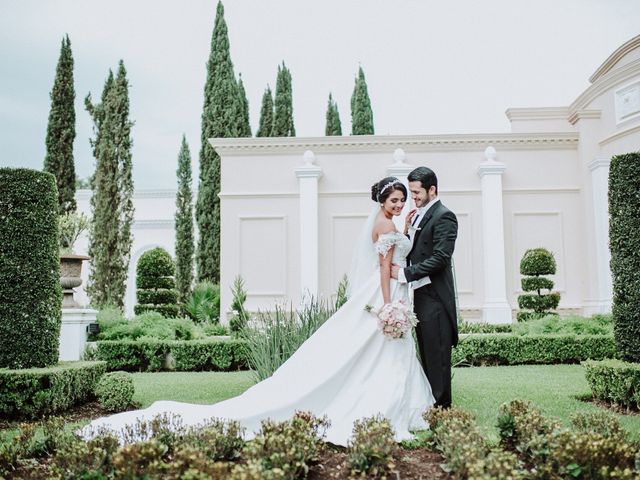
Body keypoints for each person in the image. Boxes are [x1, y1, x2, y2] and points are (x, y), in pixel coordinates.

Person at [81, 177, 434, 446]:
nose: (399, 205)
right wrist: (388, 306)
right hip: (386, 291)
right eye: (394, 200)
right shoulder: (385, 226)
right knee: (382, 348)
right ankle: (387, 407)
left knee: (385, 351)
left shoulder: (389, 223)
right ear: (382, 201)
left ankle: (396, 404)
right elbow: (385, 267)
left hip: (390, 289)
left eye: (402, 200)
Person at [391, 167, 458, 408]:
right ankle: (431, 408)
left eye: (417, 192)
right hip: (421, 297)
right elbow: (418, 250)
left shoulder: (444, 216)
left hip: (436, 299)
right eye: (411, 192)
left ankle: (442, 411)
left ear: (432, 189)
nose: (413, 197)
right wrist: (408, 231)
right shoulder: (419, 215)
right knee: (428, 356)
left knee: (438, 357)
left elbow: (441, 257)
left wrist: (404, 274)